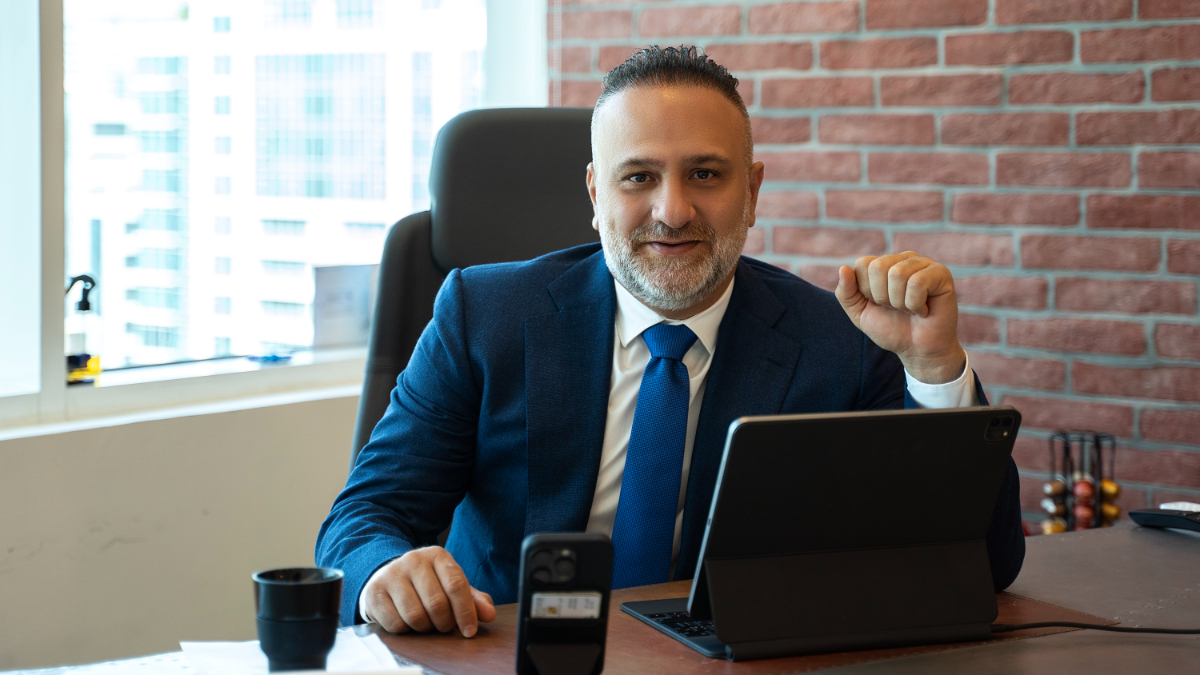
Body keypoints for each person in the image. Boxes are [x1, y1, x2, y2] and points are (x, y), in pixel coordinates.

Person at [316, 45, 1024, 639]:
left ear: (752, 191)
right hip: (513, 654)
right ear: (596, 195)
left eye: (706, 175)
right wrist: (386, 572)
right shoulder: (486, 313)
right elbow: (363, 517)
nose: (673, 209)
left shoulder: (841, 340)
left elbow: (981, 563)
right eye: (639, 176)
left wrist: (932, 366)